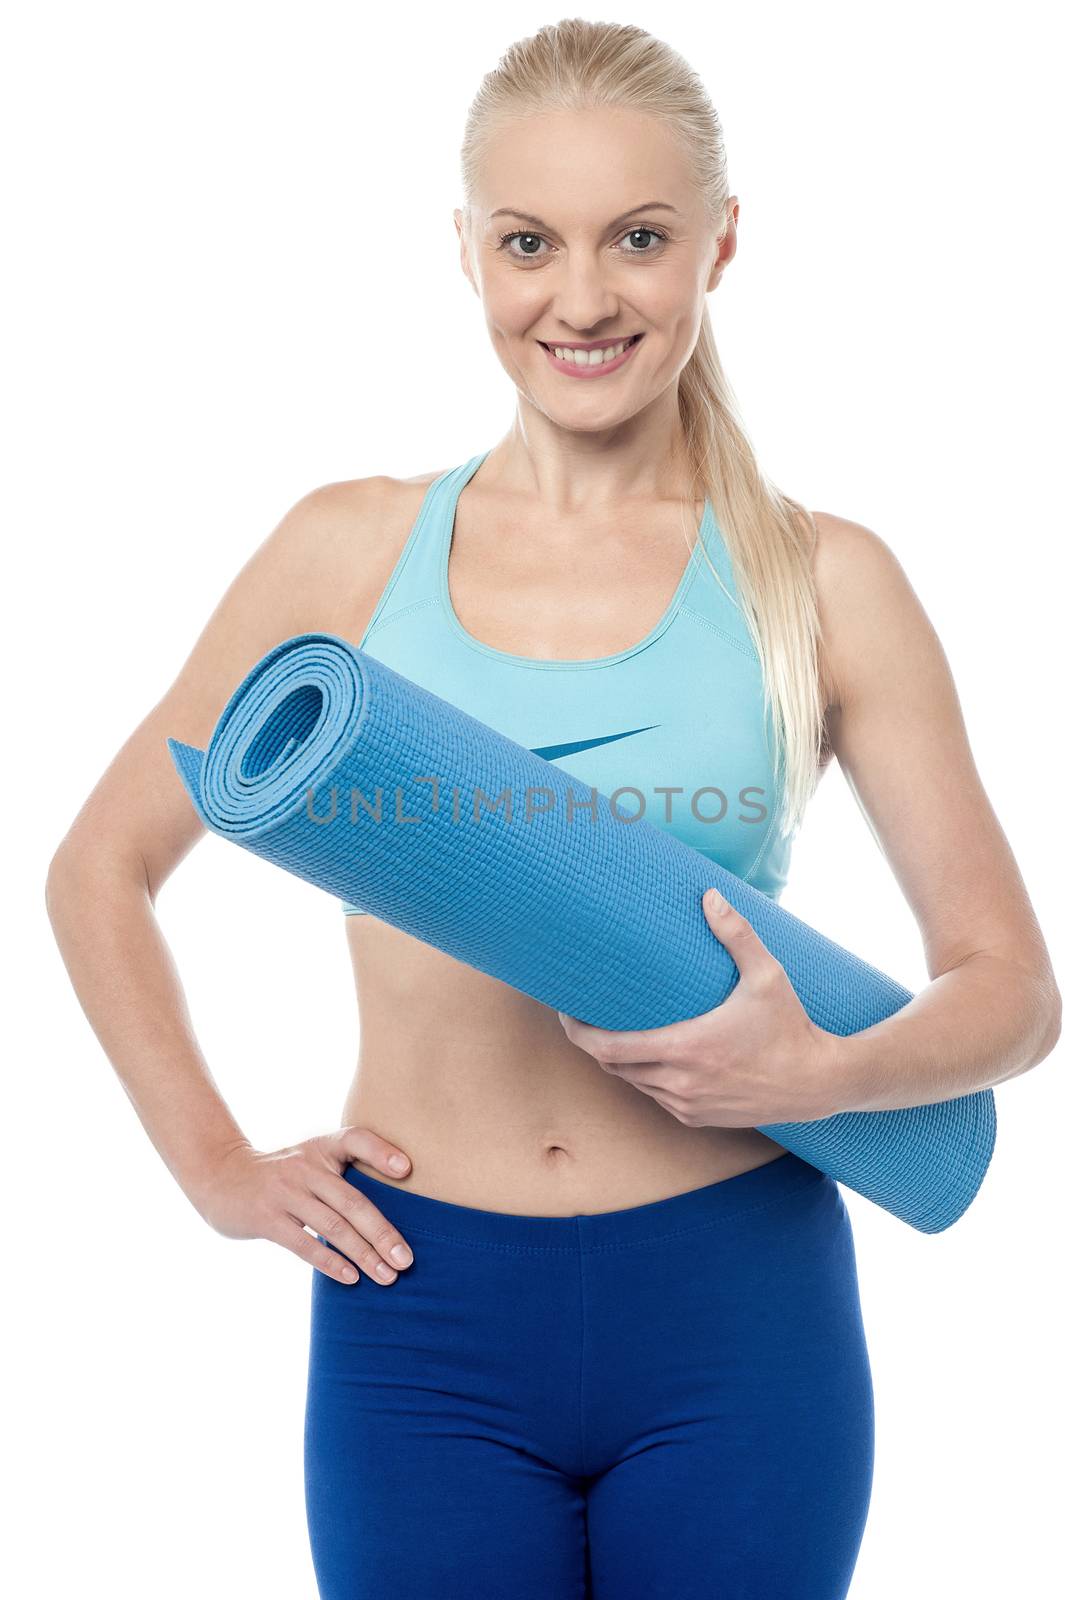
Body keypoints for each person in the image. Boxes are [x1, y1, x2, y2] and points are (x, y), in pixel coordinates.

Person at [45, 19, 1060, 1600]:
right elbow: (101, 866)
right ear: (464, 252)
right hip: (419, 1303)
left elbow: (1011, 990)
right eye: (529, 242)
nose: (579, 299)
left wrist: (825, 1065)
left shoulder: (821, 579)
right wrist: (214, 1167)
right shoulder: (346, 549)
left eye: (637, 239)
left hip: (735, 1306)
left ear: (719, 244)